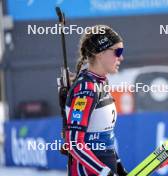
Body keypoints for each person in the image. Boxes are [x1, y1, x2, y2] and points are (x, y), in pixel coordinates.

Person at [64, 25, 127, 176]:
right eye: (117, 52)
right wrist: (104, 173)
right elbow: (74, 143)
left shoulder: (101, 82)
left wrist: (118, 167)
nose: (121, 57)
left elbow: (106, 137)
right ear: (100, 53)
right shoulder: (86, 89)